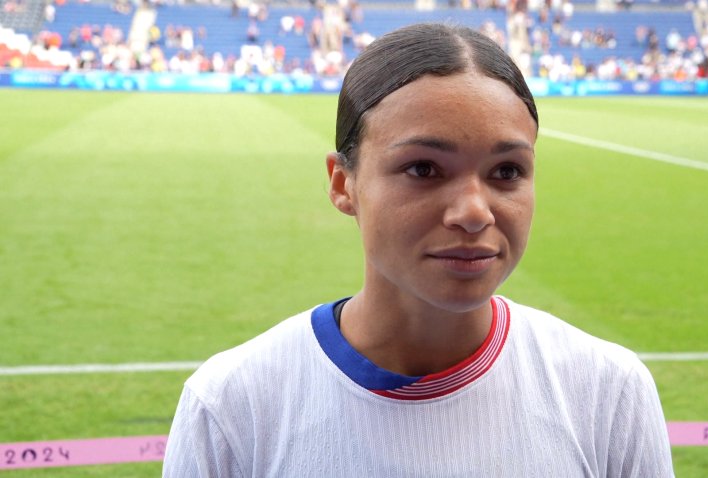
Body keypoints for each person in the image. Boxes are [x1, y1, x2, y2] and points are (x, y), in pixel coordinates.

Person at [162, 23, 674, 477]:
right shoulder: (231, 406)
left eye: (507, 172)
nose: (474, 211)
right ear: (343, 184)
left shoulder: (609, 392)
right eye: (423, 169)